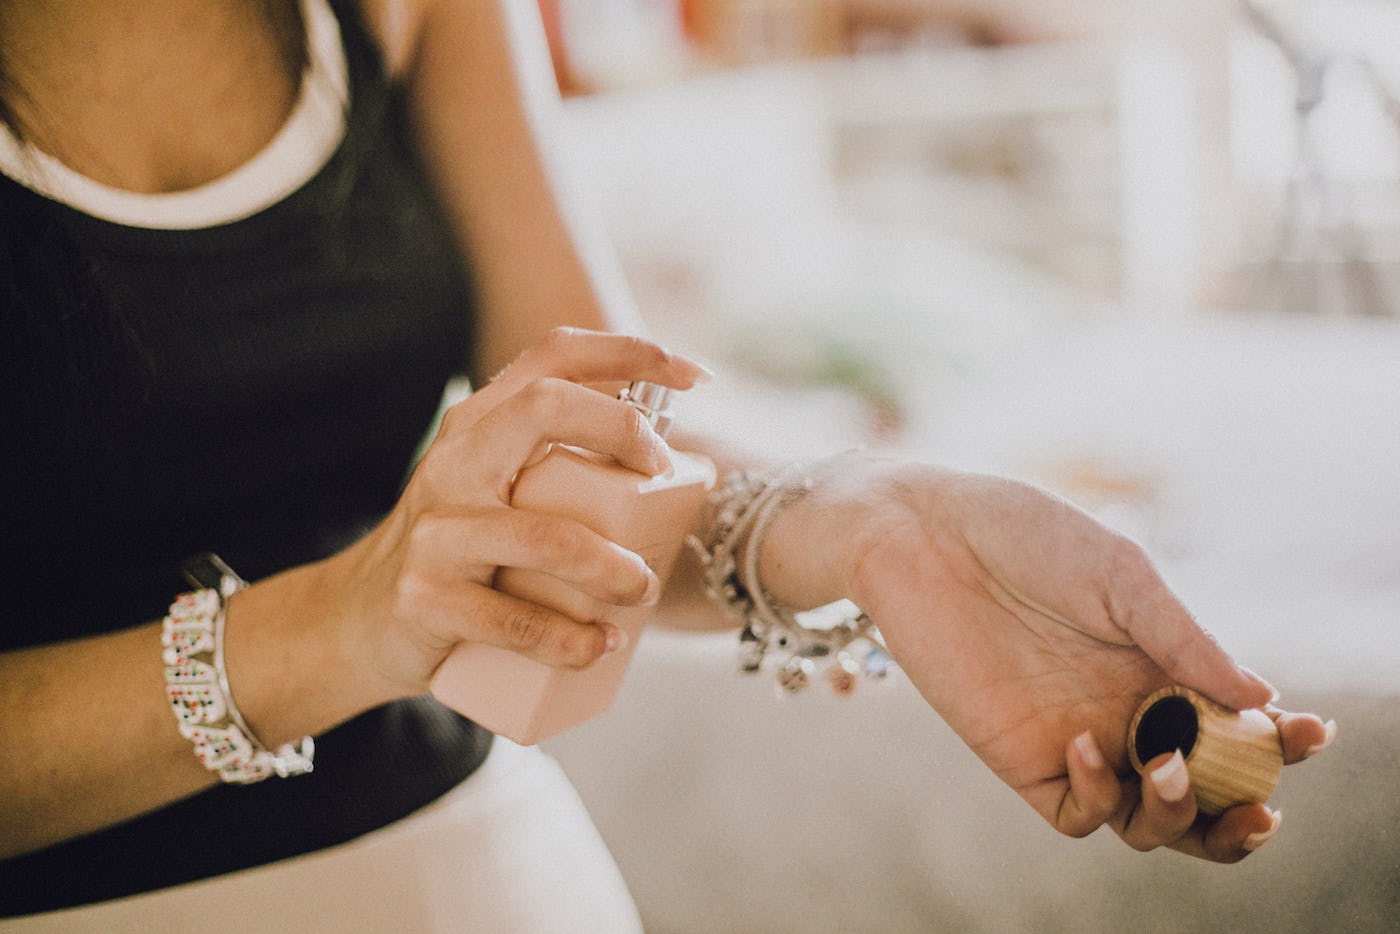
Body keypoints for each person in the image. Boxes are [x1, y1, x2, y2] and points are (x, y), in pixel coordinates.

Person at [0, 0, 1333, 929]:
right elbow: (389, 600)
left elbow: (605, 457)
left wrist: (873, 521)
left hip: (485, 878)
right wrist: (339, 623)